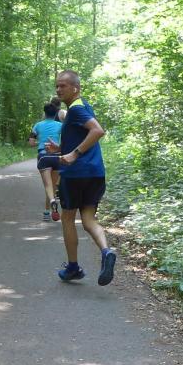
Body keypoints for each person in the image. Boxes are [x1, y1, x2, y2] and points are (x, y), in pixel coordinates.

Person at [45, 70, 117, 286]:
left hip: (76, 174)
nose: (58, 89)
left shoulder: (76, 109)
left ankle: (73, 267)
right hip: (95, 173)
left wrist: (73, 155)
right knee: (88, 219)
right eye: (57, 85)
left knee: (67, 218)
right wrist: (61, 148)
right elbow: (84, 137)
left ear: (75, 88)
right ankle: (106, 251)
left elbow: (97, 131)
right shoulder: (83, 106)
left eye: (63, 86)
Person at [29, 103, 63, 221]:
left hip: (43, 157)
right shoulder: (61, 125)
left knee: (47, 185)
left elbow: (31, 143)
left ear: (45, 113)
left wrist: (41, 143)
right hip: (57, 157)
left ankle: (48, 209)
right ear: (56, 113)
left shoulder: (37, 125)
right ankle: (48, 211)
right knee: (52, 185)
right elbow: (66, 141)